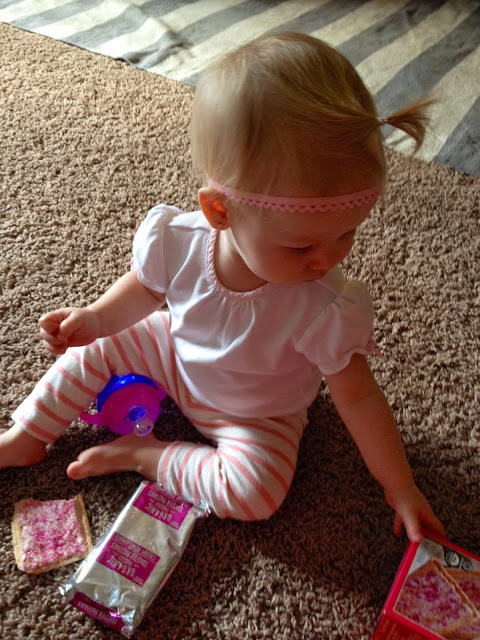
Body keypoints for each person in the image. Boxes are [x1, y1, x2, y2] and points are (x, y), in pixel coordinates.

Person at [0, 32, 444, 541]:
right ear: (219, 211)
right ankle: (26, 436)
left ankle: (148, 456)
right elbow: (145, 289)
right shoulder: (179, 240)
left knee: (257, 493)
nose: (328, 260)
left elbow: (360, 398)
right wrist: (97, 317)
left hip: (259, 414)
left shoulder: (326, 307)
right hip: (176, 354)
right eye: (301, 246)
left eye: (347, 234)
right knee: (95, 346)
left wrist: (402, 487)